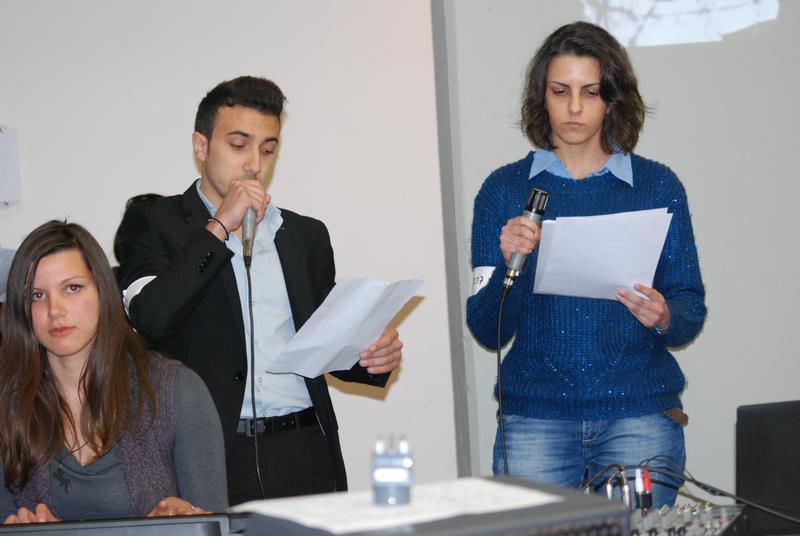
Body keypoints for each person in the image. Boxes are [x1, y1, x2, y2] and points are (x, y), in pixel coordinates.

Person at [114, 76, 403, 504]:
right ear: (200, 146)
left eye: (268, 149)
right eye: (238, 145)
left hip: (303, 444)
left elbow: (324, 344)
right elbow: (150, 319)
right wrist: (219, 227)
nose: (254, 164)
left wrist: (372, 357)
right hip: (210, 450)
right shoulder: (156, 223)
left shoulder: (304, 235)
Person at [466, 21, 706, 507]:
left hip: (639, 413)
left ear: (612, 99)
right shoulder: (504, 190)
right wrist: (514, 264)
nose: (574, 108)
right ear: (541, 97)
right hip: (535, 418)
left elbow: (689, 311)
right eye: (561, 91)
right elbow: (487, 330)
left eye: (590, 92)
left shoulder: (657, 186)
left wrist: (664, 315)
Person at [0, 221, 227, 523]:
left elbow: (214, 525)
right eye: (37, 296)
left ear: (103, 292)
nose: (55, 310)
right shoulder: (7, 404)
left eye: (72, 288)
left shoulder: (178, 391)